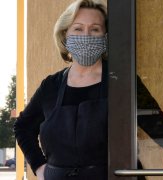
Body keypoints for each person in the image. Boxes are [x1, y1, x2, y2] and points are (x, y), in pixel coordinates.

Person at [14, 0, 108, 179]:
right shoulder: (51, 85)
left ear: (105, 37)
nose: (86, 36)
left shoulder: (120, 81)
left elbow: (158, 125)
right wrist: (39, 167)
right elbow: (23, 127)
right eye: (78, 29)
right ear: (65, 36)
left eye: (95, 29)